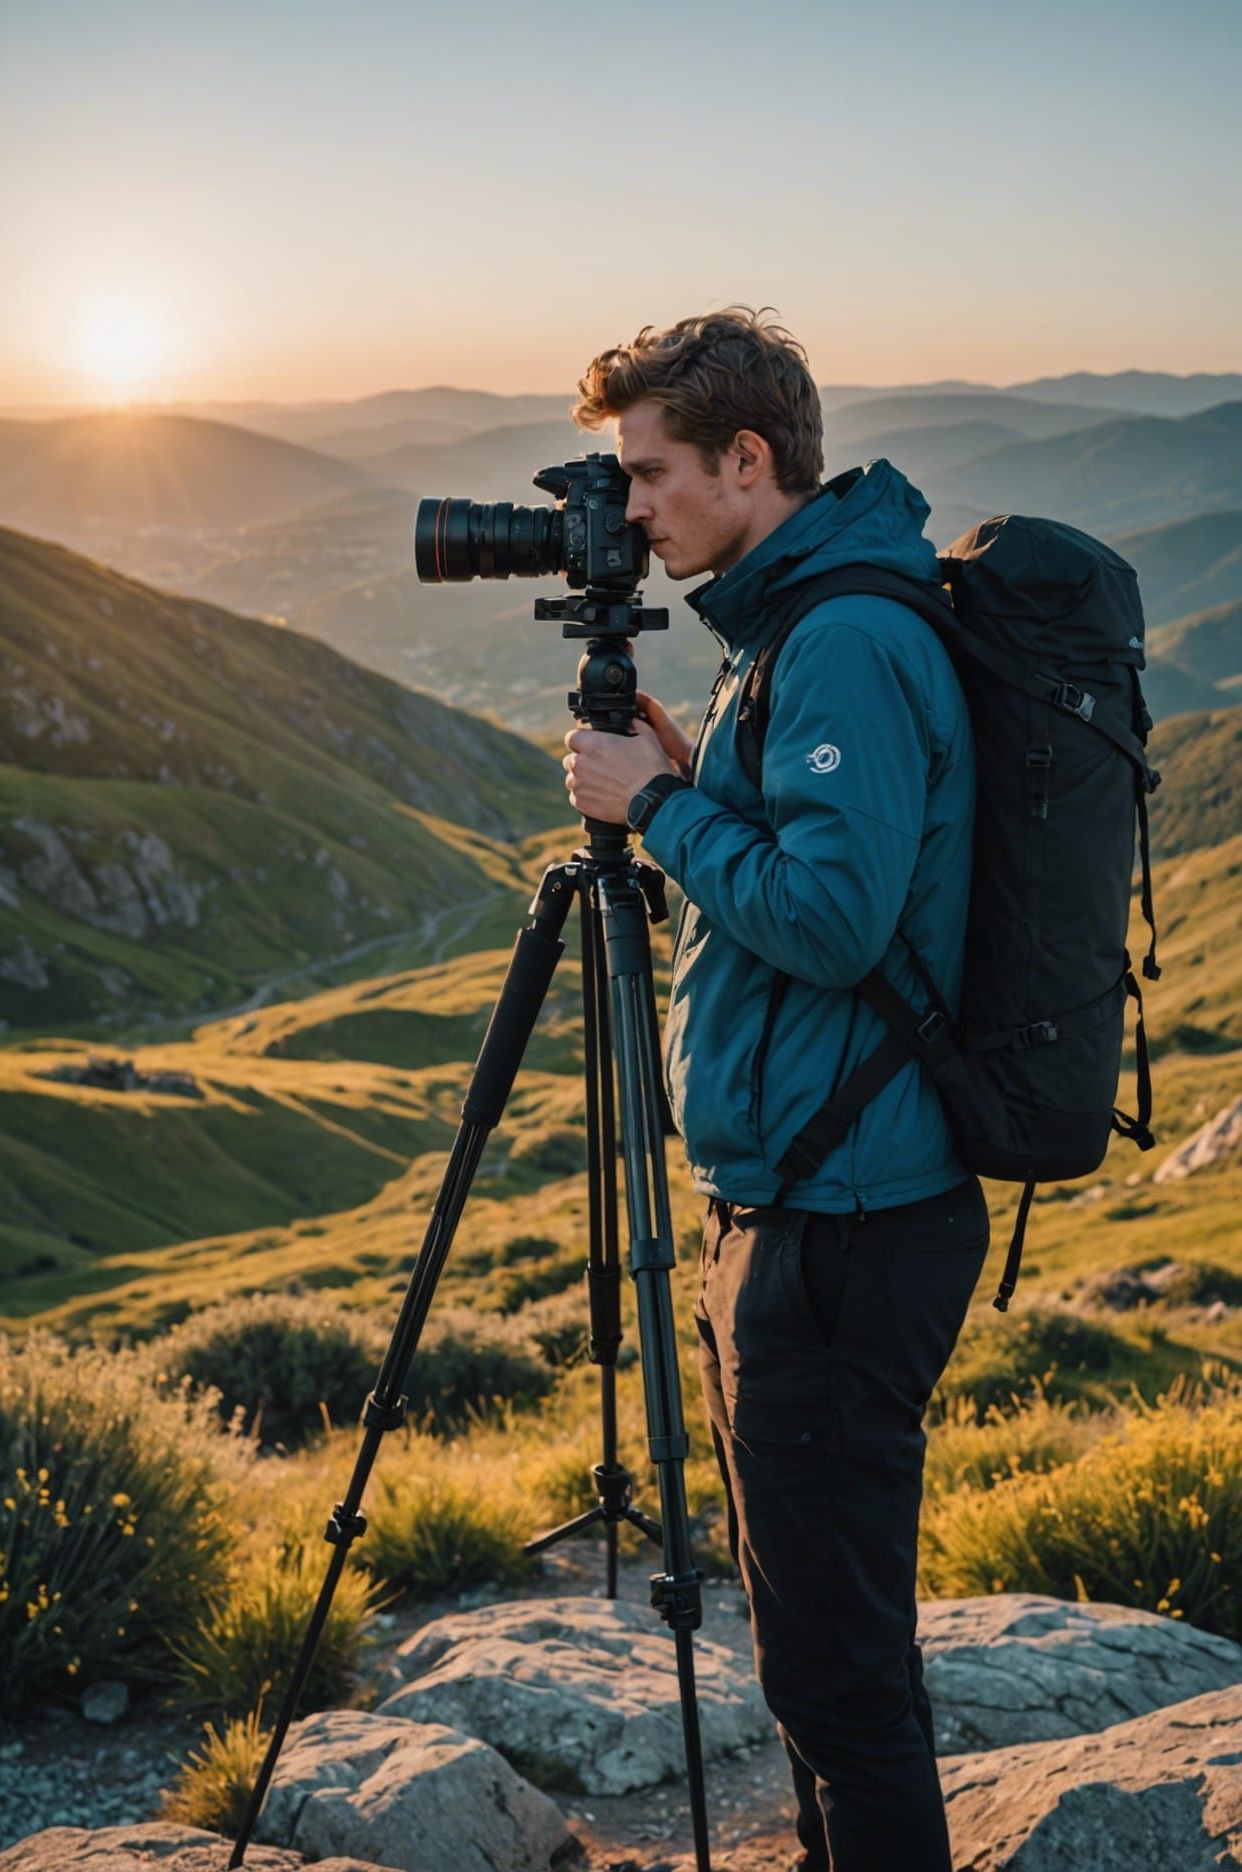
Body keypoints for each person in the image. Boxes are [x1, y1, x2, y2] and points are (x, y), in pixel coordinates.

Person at [562, 307, 990, 1872]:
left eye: (653, 474)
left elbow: (832, 916)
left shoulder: (848, 639)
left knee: (837, 1673)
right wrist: (703, 777)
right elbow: (811, 877)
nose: (632, 512)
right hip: (812, 1204)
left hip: (847, 1226)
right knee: (823, 1651)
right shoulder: (792, 628)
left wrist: (664, 806)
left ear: (751, 462)